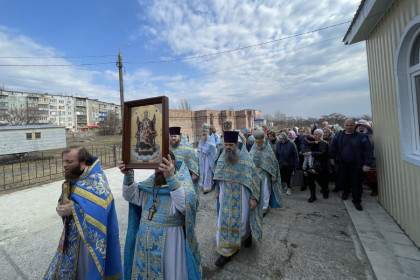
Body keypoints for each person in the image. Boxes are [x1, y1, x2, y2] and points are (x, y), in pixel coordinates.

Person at [44, 147, 123, 280]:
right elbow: (68, 199)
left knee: (87, 271)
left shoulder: (97, 179)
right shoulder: (75, 177)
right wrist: (61, 208)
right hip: (73, 237)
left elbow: (100, 209)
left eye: (69, 162)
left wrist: (73, 209)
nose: (64, 165)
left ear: (83, 162)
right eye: (63, 161)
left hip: (90, 241)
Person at [120, 152, 202, 279]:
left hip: (170, 246)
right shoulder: (150, 185)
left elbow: (186, 207)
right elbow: (130, 196)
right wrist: (129, 175)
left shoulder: (181, 187)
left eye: (163, 166)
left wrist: (170, 177)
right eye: (157, 166)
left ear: (172, 166)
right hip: (144, 247)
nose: (159, 170)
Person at [213, 131, 263, 268]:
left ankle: (246, 236)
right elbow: (217, 175)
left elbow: (254, 179)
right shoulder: (222, 157)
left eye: (231, 145)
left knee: (243, 219)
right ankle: (226, 252)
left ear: (236, 144)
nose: (228, 147)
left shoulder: (245, 159)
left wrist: (254, 198)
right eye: (226, 144)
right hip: (225, 196)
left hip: (242, 195)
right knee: (226, 222)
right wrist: (217, 190)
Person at [330, 119, 374, 211]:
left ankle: (357, 201)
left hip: (356, 164)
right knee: (344, 179)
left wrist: (367, 164)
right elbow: (333, 146)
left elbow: (368, 150)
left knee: (356, 183)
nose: (349, 127)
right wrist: (332, 157)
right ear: (344, 125)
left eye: (351, 125)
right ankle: (346, 192)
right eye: (347, 125)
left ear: (355, 126)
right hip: (343, 163)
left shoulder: (362, 136)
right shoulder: (339, 135)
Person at [250, 129, 282, 216]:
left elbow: (273, 163)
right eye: (257, 142)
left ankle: (264, 208)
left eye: (260, 142)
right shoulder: (253, 148)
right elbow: (249, 159)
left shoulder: (268, 150)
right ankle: (256, 205)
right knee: (255, 190)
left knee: (265, 191)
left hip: (264, 175)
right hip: (255, 174)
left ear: (263, 140)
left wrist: (273, 175)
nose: (258, 144)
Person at [169, 126, 200, 195]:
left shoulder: (187, 148)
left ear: (179, 136)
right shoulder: (168, 148)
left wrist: (193, 175)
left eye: (175, 136)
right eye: (171, 136)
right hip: (171, 178)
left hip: (186, 180)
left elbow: (194, 162)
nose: (173, 138)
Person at [306, 129, 330, 203]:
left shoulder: (324, 143)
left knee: (321, 180)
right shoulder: (312, 142)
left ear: (321, 135)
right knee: (311, 180)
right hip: (312, 164)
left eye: (317, 134)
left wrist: (311, 153)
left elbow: (323, 153)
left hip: (321, 165)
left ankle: (325, 190)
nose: (315, 136)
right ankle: (313, 196)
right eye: (314, 134)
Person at [356, 119, 377, 196]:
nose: (361, 127)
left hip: (368, 157)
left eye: (363, 126)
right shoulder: (356, 134)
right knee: (362, 175)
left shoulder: (369, 135)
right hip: (358, 158)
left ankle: (374, 189)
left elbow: (370, 147)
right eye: (359, 126)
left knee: (371, 174)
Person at [197, 123, 217, 194]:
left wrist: (208, 153)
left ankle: (208, 187)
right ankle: (203, 186)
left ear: (208, 132)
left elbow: (214, 150)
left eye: (205, 131)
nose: (204, 133)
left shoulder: (211, 140)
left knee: (208, 172)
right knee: (203, 172)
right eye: (203, 131)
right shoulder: (201, 139)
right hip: (202, 159)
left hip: (208, 160)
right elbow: (199, 149)